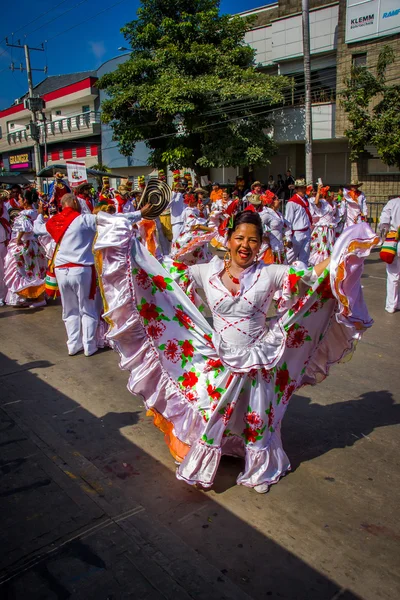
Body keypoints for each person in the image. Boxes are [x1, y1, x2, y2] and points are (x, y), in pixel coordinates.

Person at [94, 209, 377, 493]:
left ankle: (259, 468)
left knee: (257, 417)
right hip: (219, 357)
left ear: (261, 244)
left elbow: (312, 275)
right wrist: (128, 238)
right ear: (227, 239)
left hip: (259, 359)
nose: (245, 245)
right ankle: (217, 452)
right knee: (214, 411)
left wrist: (344, 250)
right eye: (239, 237)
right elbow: (161, 277)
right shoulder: (207, 271)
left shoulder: (271, 273)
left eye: (253, 240)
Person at [34, 193, 153, 356]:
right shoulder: (83, 219)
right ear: (75, 202)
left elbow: (37, 229)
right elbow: (115, 219)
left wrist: (40, 213)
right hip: (81, 269)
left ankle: (73, 345)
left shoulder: (54, 221)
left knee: (69, 310)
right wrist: (139, 214)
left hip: (61, 270)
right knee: (87, 308)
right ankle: (89, 346)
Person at [4, 193, 46, 308]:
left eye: (20, 199)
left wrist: (18, 239)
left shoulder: (24, 213)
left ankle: (36, 297)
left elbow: (24, 228)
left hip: (26, 245)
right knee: (35, 271)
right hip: (34, 244)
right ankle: (34, 296)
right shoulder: (36, 211)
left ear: (25, 200)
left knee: (24, 271)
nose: (19, 201)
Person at [378, 196, 400, 313]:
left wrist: (384, 236)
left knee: (393, 275)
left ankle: (391, 304)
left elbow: (384, 223)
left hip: (394, 240)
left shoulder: (393, 203)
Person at [309, 184, 339, 266]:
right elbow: (316, 202)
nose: (333, 196)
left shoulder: (334, 204)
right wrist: (318, 191)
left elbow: (336, 215)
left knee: (330, 245)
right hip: (323, 228)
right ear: (327, 196)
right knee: (323, 246)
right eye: (331, 194)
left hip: (331, 228)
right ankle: (320, 263)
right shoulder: (323, 203)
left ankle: (329, 262)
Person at [284, 178, 312, 263]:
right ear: (296, 189)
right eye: (300, 188)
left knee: (304, 257)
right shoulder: (292, 202)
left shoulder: (306, 201)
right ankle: (282, 272)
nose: (303, 190)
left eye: (304, 188)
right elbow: (288, 221)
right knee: (290, 256)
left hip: (306, 231)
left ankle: (302, 275)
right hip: (297, 233)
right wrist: (288, 237)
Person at [260, 191, 291, 264]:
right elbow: (258, 225)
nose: (279, 201)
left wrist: (288, 238)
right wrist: (263, 237)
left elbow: (287, 226)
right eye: (277, 199)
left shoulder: (279, 214)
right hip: (271, 245)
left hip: (279, 243)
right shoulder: (267, 214)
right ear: (272, 202)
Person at [0, 191, 11, 306]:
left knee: (5, 270)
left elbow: (7, 226)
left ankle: (4, 295)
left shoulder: (4, 214)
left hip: (3, 245)